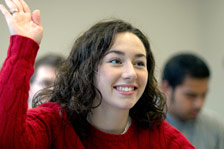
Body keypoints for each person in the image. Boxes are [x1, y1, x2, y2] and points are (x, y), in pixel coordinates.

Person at [0, 0, 194, 148]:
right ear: (88, 69)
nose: (131, 73)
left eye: (139, 63)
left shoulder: (160, 137)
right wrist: (23, 46)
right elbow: (7, 140)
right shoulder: (53, 122)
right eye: (116, 61)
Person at [161, 53, 224, 149]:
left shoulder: (215, 127)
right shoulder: (145, 126)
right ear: (166, 88)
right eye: (190, 95)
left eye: (203, 95)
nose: (199, 104)